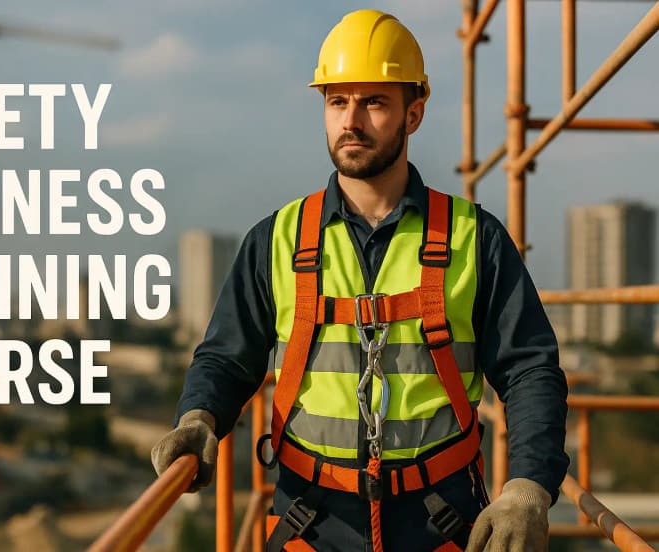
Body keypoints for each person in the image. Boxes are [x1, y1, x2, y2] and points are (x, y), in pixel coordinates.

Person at [152, 9, 568, 552]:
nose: (351, 121)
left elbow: (530, 368)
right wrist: (198, 416)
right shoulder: (276, 239)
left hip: (439, 519)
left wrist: (527, 487)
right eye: (337, 101)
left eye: (373, 102)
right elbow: (227, 358)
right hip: (313, 519)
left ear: (413, 114)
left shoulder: (474, 238)